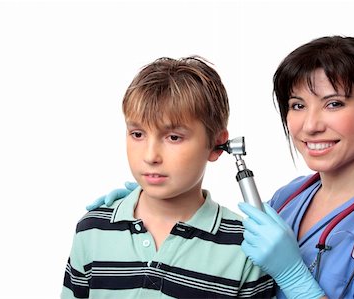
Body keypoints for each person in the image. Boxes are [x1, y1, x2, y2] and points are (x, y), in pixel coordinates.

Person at [87, 37, 354, 299]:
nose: (310, 125)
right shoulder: (290, 198)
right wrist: (152, 204)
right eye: (298, 105)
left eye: (333, 104)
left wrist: (296, 280)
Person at [61, 56, 276, 298]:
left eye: (173, 137)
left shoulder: (246, 248)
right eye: (137, 134)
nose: (150, 156)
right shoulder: (92, 231)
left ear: (217, 144)